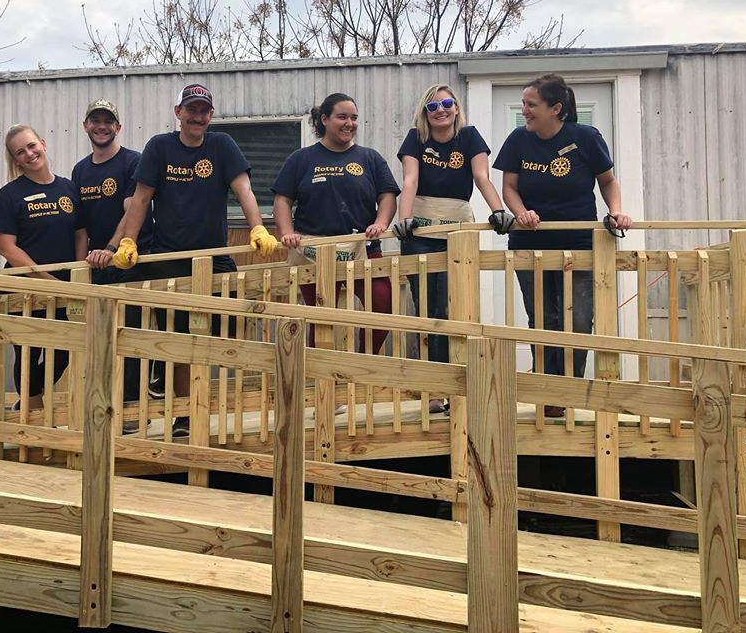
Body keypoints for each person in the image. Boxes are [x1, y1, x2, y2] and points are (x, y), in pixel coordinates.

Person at [109, 83, 278, 436]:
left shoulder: (222, 145)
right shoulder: (159, 147)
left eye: (203, 110)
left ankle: (163, 371)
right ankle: (185, 417)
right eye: (191, 109)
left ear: (210, 115)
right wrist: (128, 241)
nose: (197, 116)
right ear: (178, 112)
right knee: (182, 337)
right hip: (171, 257)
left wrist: (258, 228)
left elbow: (244, 189)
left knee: (233, 322)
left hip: (214, 256)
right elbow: (141, 199)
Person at [493, 73, 632, 416]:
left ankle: (568, 390)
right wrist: (521, 212)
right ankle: (548, 392)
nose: (524, 110)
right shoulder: (518, 140)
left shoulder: (585, 137)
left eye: (531, 104)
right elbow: (509, 187)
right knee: (543, 318)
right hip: (530, 244)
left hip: (579, 244)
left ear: (556, 109)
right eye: (523, 103)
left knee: (579, 319)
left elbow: (608, 181)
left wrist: (616, 211)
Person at [393, 85, 511, 412]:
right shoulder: (416, 138)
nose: (440, 110)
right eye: (433, 106)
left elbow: (482, 178)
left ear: (456, 108)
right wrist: (404, 219)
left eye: (447, 103)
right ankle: (433, 390)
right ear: (425, 112)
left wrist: (498, 210)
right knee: (426, 309)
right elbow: (410, 181)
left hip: (456, 228)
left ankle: (456, 388)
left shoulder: (469, 137)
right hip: (420, 228)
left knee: (453, 307)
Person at [272, 92, 400, 368]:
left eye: (354, 118)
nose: (349, 123)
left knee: (382, 305)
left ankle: (361, 365)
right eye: (342, 117)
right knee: (321, 318)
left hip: (362, 248)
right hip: (313, 252)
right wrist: (287, 232)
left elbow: (387, 195)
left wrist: (381, 222)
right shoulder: (301, 159)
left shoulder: (370, 158)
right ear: (324, 120)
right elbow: (282, 200)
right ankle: (323, 379)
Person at [0, 124, 87, 412]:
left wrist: (78, 274)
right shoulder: (9, 195)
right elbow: (6, 248)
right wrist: (43, 277)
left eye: (31, 146)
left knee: (64, 352)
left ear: (43, 143)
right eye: (20, 152)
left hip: (66, 288)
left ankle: (30, 400)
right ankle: (32, 414)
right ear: (16, 160)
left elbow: (81, 233)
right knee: (28, 353)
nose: (29, 154)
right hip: (25, 289)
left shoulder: (68, 188)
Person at [72, 99, 154, 432]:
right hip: (97, 266)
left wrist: (111, 247)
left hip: (130, 261)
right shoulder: (80, 170)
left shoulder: (132, 162)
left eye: (108, 121)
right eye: (96, 121)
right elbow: (80, 226)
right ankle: (102, 407)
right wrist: (81, 267)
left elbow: (132, 210)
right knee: (100, 340)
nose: (102, 126)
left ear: (118, 127)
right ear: (86, 126)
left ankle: (133, 410)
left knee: (130, 337)